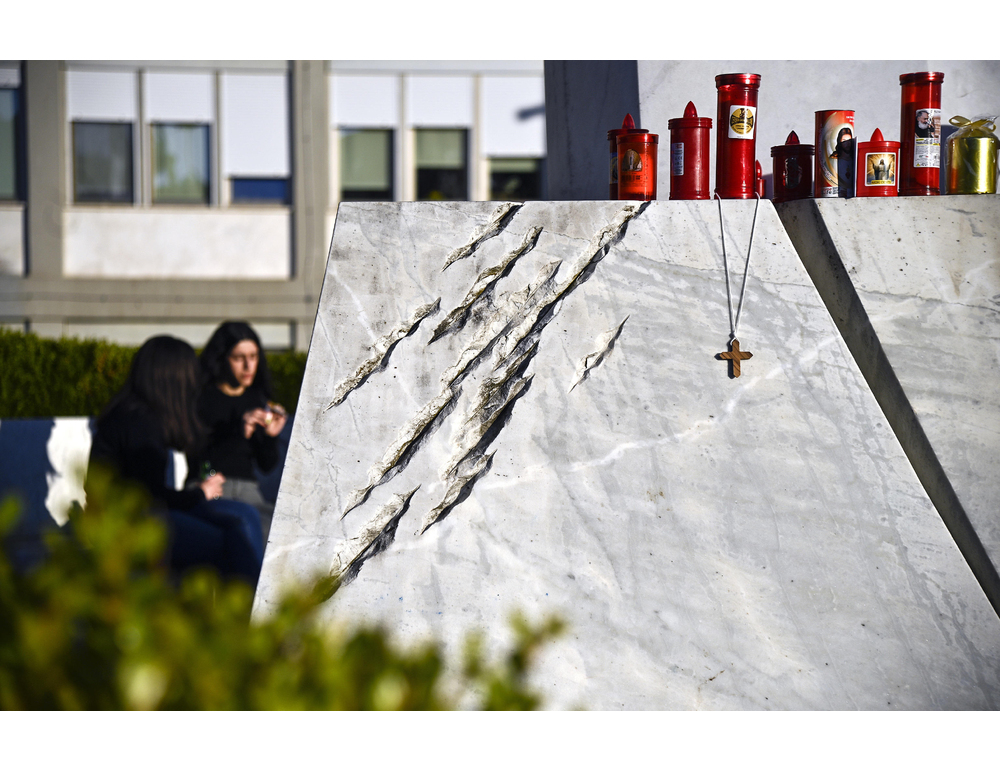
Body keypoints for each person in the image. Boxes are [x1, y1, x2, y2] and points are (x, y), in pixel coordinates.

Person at [87, 336, 264, 587]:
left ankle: (254, 606)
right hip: (130, 525)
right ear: (174, 378)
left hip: (145, 514)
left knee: (245, 514)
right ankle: (249, 612)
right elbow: (150, 496)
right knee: (230, 540)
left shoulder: (139, 415)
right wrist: (200, 493)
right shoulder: (139, 423)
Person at [186, 322, 288, 544]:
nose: (248, 365)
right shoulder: (201, 398)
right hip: (209, 485)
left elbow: (266, 465)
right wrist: (237, 430)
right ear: (222, 358)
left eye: (253, 356)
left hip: (249, 491)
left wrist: (270, 436)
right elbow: (196, 456)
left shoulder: (257, 400)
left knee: (280, 530)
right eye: (238, 357)